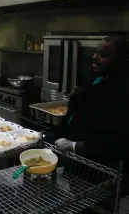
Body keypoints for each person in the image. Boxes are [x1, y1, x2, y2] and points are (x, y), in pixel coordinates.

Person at [53, 36, 129, 212]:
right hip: (79, 165)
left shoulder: (123, 91)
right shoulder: (97, 77)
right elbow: (78, 113)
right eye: (96, 51)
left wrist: (75, 146)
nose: (95, 57)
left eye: (103, 54)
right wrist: (58, 135)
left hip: (103, 172)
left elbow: (120, 141)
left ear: (121, 59)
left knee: (98, 207)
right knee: (78, 202)